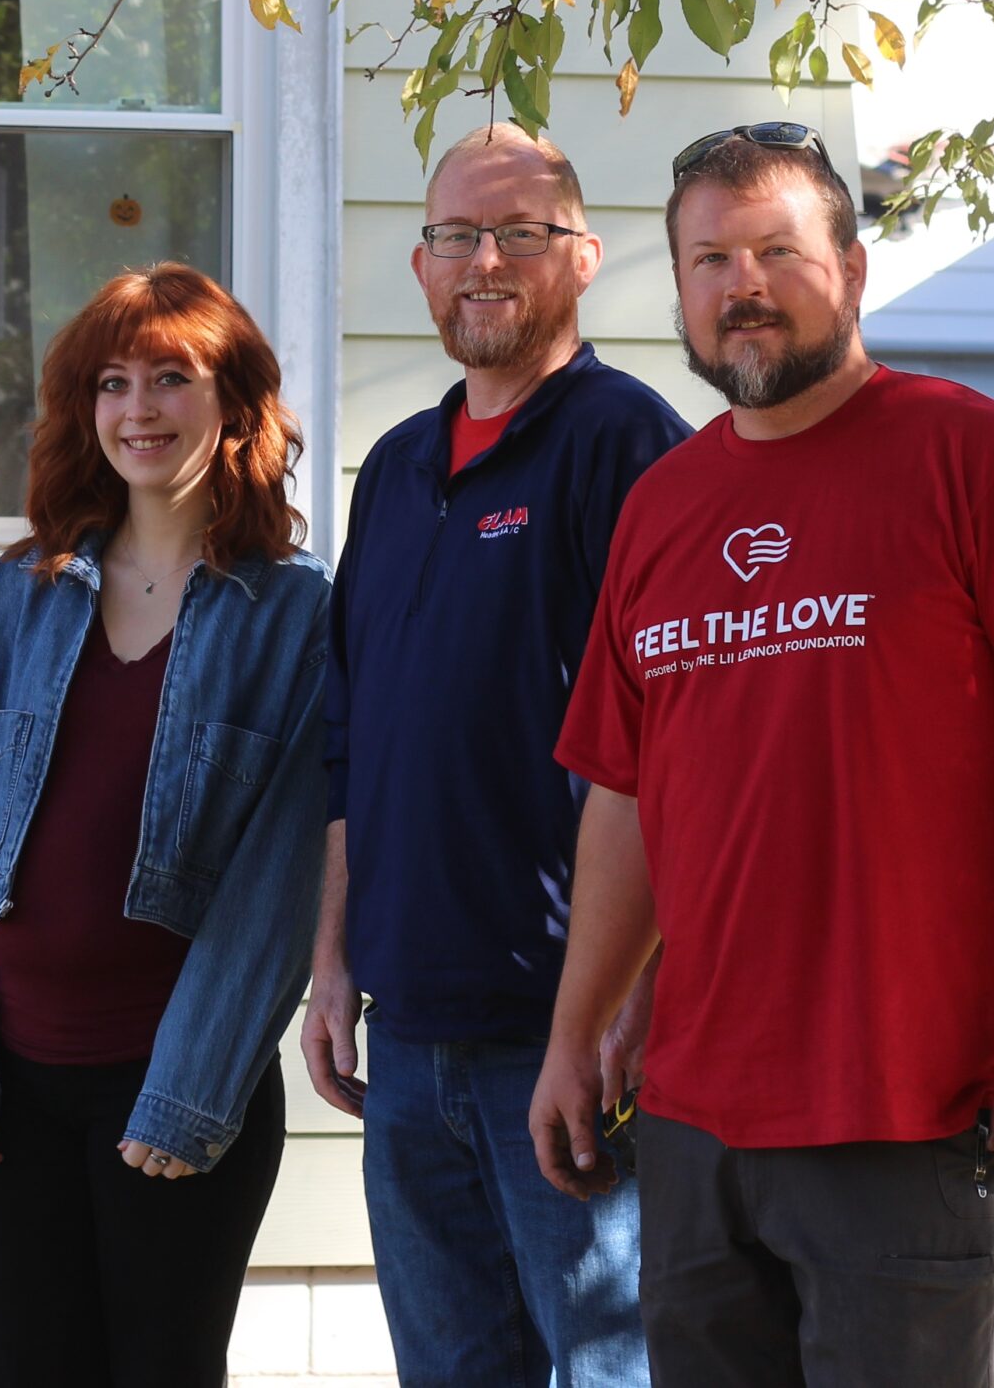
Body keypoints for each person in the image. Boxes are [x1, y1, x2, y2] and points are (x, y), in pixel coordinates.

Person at [530, 123, 994, 1387]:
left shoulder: (976, 459)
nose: (740, 284)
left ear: (854, 271)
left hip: (905, 1106)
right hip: (698, 1115)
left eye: (777, 249)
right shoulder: (663, 506)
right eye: (707, 259)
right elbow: (625, 792)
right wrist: (575, 1027)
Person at [304, 124, 687, 1387]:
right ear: (419, 267)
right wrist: (330, 962)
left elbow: (674, 745)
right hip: (409, 1036)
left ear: (580, 258)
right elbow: (355, 730)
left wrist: (623, 1002)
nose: (484, 261)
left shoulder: (627, 448)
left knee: (603, 1371)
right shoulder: (401, 468)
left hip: (559, 1030)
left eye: (518, 234)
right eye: (455, 236)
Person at [0, 263, 332, 1388]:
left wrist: (191, 1090)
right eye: (111, 381)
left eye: (169, 378)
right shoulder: (22, 592)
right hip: (9, 1088)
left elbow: (282, 875)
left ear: (233, 403)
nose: (136, 409)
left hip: (174, 1077)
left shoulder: (293, 613)